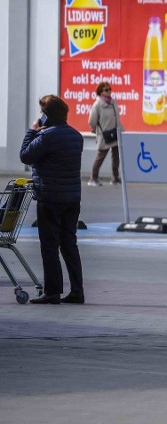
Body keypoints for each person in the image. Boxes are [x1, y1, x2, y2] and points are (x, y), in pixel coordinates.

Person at [19, 95, 85, 304]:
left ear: (47, 116)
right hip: (72, 198)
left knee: (49, 244)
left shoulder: (46, 137)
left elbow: (25, 156)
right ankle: (77, 290)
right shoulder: (76, 136)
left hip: (50, 197)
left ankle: (53, 292)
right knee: (69, 244)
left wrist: (32, 131)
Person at [87, 81, 123, 186]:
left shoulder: (113, 102)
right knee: (100, 156)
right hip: (104, 135)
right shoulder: (97, 105)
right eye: (106, 90)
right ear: (100, 92)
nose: (109, 91)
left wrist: (121, 129)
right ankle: (93, 178)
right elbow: (91, 121)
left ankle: (115, 178)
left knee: (116, 156)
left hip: (115, 133)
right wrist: (96, 130)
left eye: (109, 89)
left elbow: (117, 117)